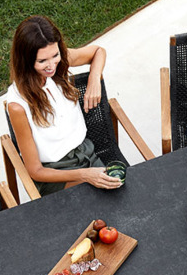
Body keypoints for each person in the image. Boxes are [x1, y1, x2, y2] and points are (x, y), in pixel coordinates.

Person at [6, 15, 120, 196]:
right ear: (26, 61)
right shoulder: (18, 105)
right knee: (92, 206)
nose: (51, 65)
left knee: (119, 199)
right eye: (42, 61)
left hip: (87, 154)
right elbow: (36, 171)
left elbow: (98, 51)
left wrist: (94, 79)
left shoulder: (60, 62)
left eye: (55, 55)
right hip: (56, 174)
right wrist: (85, 175)